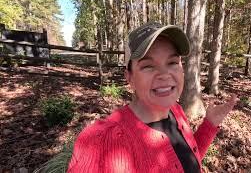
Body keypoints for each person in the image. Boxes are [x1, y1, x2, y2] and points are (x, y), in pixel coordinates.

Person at [67, 22, 237, 173]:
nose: (164, 74)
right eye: (148, 66)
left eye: (172, 63)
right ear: (129, 77)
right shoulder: (103, 142)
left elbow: (187, 162)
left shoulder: (175, 111)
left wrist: (209, 125)